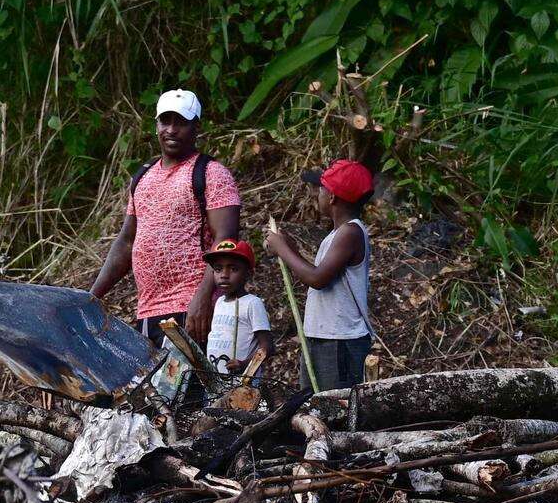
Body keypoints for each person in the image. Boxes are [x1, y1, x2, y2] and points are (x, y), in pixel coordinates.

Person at [88, 88, 241, 344]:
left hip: (192, 308)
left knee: (194, 384)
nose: (171, 129)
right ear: (156, 124)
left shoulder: (212, 174)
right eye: (165, 121)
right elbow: (127, 241)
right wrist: (92, 297)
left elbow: (225, 240)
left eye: (181, 122)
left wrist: (203, 298)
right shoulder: (143, 176)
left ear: (196, 127)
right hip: (149, 310)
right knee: (161, 385)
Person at [266, 157, 376, 390]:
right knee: (314, 404)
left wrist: (282, 249)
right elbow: (317, 275)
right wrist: (291, 249)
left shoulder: (350, 232)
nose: (317, 195)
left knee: (335, 409)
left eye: (320, 190)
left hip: (340, 341)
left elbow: (317, 279)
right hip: (325, 336)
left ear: (333, 197)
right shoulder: (338, 234)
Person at [201, 237, 274, 381]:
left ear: (248, 273)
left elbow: (268, 347)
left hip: (243, 386)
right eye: (218, 269)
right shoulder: (219, 302)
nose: (224, 275)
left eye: (233, 269)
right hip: (216, 382)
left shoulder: (252, 303)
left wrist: (245, 364)